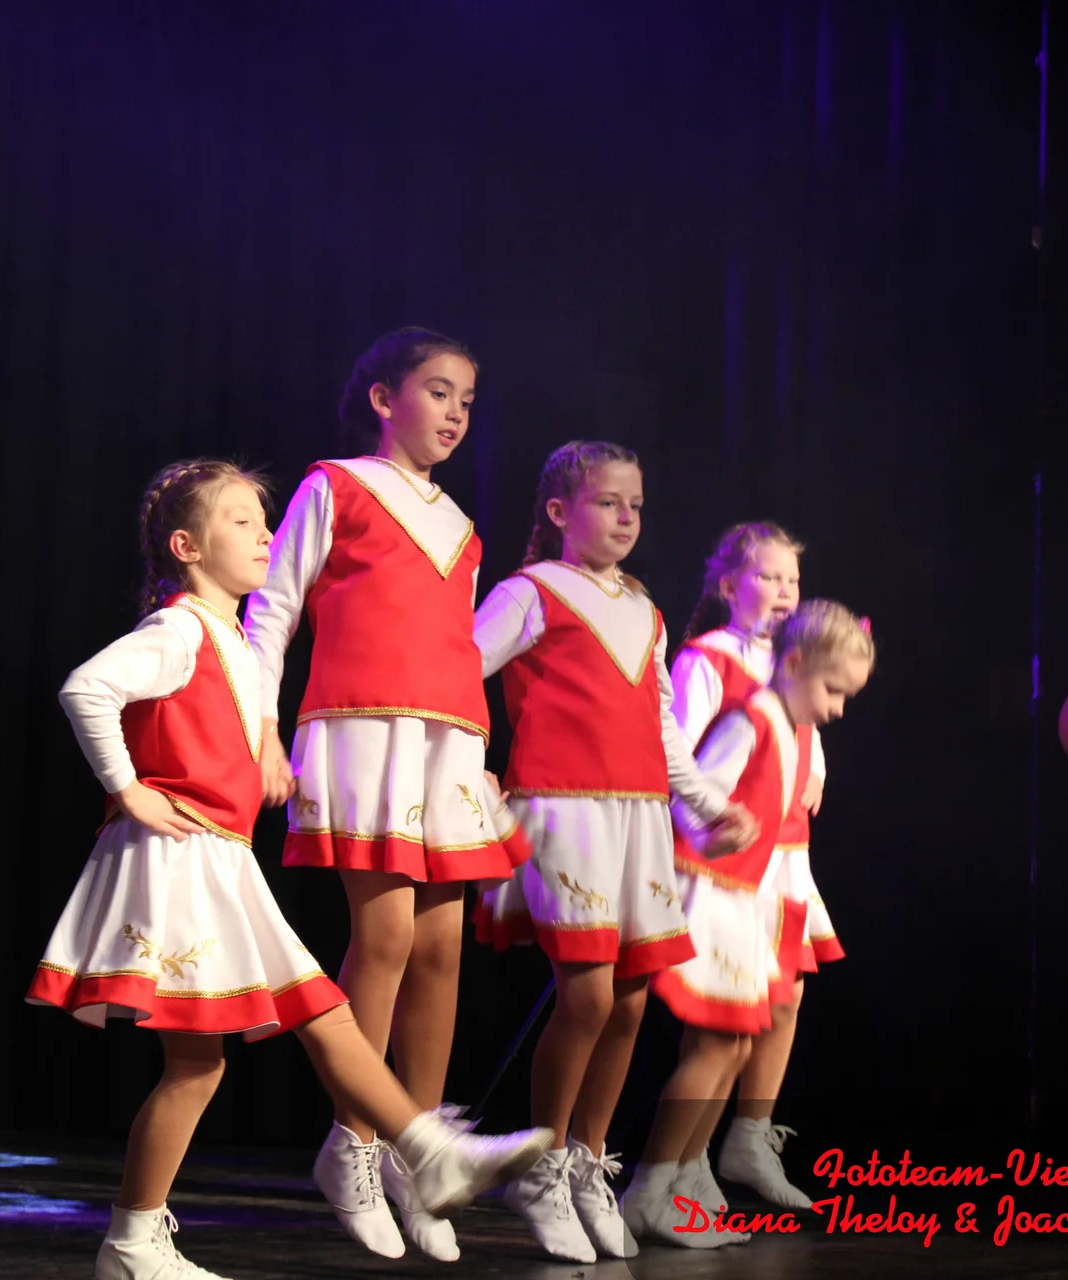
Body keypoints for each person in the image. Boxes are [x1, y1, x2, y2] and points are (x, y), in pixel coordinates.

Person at [29, 459, 553, 1280]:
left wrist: (263, 759)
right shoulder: (179, 630)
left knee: (251, 1044)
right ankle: (417, 1153)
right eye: (241, 521)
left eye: (265, 521)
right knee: (237, 1048)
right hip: (179, 864)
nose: (264, 535)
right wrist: (128, 789)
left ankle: (419, 1153)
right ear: (186, 546)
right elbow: (86, 689)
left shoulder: (230, 640)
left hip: (220, 859)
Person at [245, 329, 527, 1260]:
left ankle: (419, 1159)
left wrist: (481, 756)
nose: (456, 413)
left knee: (443, 948)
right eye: (438, 391)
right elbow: (273, 607)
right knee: (388, 935)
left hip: (449, 741)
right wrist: (257, 724)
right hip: (365, 730)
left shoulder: (464, 527)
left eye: (467, 400)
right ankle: (356, 1142)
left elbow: (459, 648)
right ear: (382, 398)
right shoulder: (336, 485)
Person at [471, 441, 757, 1262]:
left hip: (638, 817)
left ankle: (587, 1161)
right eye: (607, 502)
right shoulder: (530, 592)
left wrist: (707, 804)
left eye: (635, 504)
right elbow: (460, 671)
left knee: (630, 1002)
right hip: (565, 811)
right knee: (588, 996)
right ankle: (541, 1161)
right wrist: (469, 767)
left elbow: (660, 725)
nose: (626, 517)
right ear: (560, 512)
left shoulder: (644, 608)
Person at [624, 600, 874, 1250]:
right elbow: (694, 793)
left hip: (739, 895)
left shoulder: (789, 725)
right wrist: (714, 828)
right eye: (832, 690)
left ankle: (679, 1179)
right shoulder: (754, 718)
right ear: (793, 664)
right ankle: (649, 1190)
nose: (837, 709)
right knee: (715, 1046)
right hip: (710, 890)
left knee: (736, 1046)